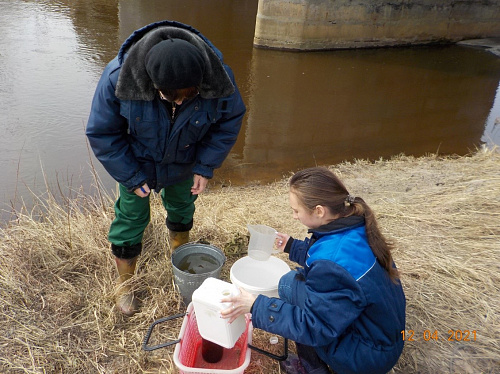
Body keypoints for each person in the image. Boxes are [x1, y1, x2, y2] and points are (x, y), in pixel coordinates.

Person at [86, 20, 246, 316]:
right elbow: (102, 133)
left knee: (183, 209)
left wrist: (205, 166)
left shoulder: (219, 78)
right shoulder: (119, 77)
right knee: (131, 218)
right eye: (173, 97)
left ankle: (179, 257)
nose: (182, 101)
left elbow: (228, 123)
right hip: (138, 164)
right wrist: (131, 176)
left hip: (186, 163)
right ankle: (126, 285)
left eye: (189, 95)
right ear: (152, 82)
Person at [221, 167, 406, 374]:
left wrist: (256, 306)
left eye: (296, 210)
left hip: (367, 355)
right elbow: (329, 256)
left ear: (319, 211)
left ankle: (312, 369)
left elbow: (313, 327)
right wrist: (291, 246)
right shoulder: (355, 224)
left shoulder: (333, 265)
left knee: (290, 288)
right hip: (382, 337)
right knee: (290, 283)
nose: (294, 216)